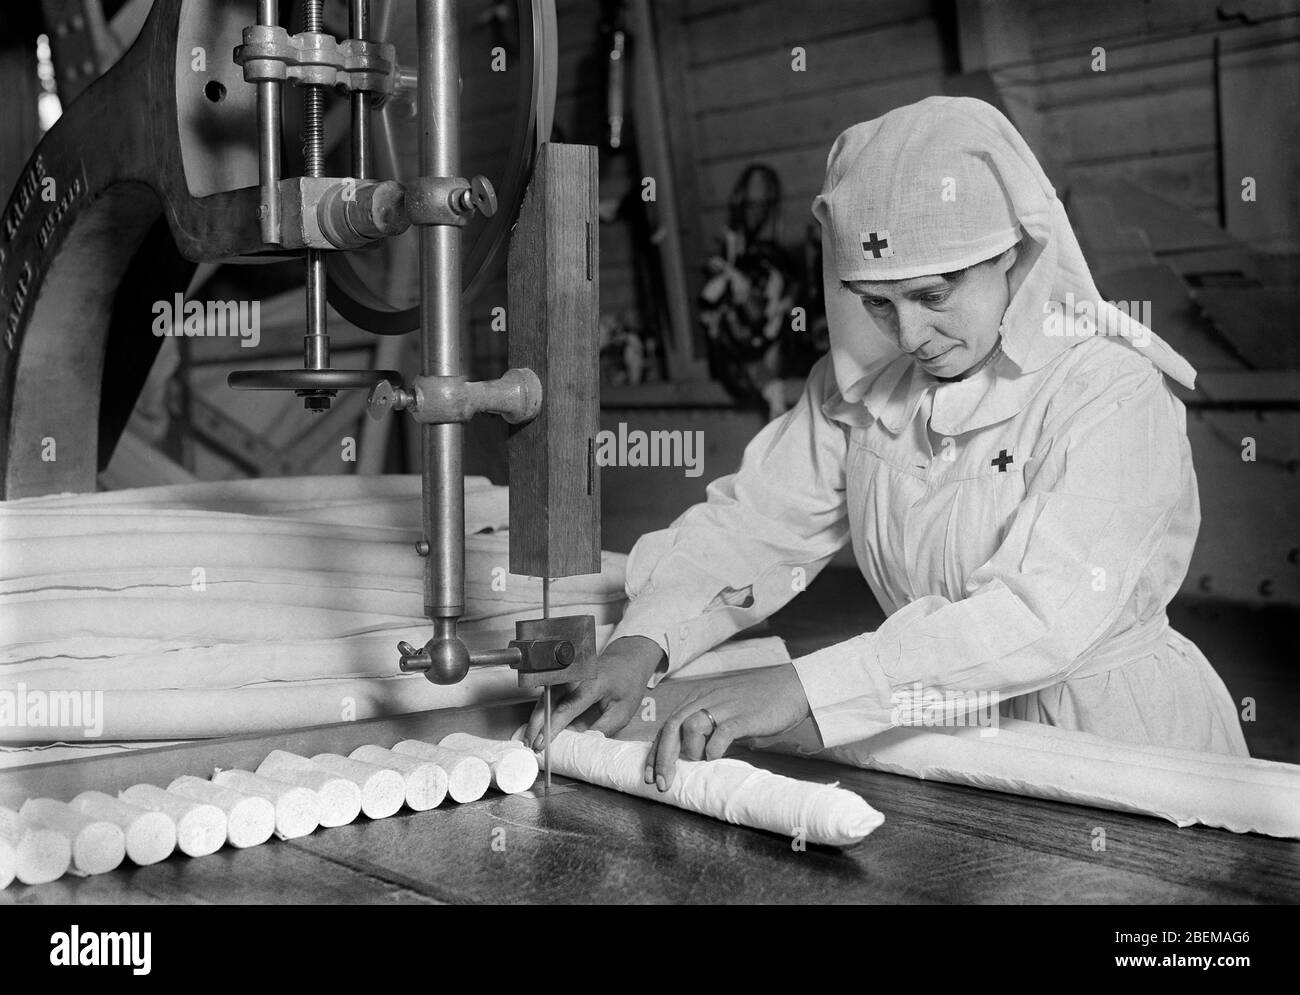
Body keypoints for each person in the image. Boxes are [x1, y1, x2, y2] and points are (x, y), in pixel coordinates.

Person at [525, 96, 1249, 791]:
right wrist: (641, 640)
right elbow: (756, 524)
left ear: (1013, 255)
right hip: (939, 728)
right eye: (878, 302)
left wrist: (807, 685)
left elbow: (1041, 616)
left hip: (1116, 739)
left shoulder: (1107, 388)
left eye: (934, 295)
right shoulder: (862, 391)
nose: (908, 336)